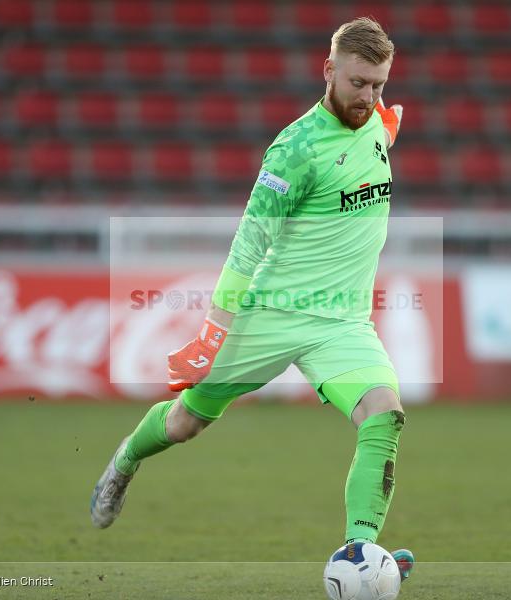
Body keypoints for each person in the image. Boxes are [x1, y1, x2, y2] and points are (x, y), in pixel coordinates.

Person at [92, 16, 414, 583]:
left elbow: (373, 139)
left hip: (341, 322)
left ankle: (359, 554)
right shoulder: (294, 149)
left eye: (379, 86)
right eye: (358, 83)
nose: (368, 97)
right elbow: (247, 247)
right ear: (329, 71)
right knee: (186, 424)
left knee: (383, 415)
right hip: (269, 314)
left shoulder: (377, 124)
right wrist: (211, 333)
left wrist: (384, 126)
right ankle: (124, 462)